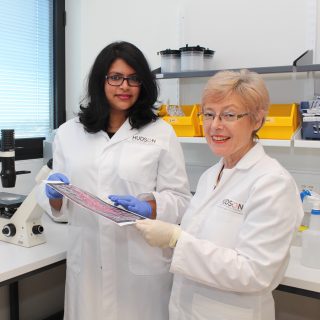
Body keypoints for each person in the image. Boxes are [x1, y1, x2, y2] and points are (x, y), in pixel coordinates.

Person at [135, 69, 304, 320]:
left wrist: (176, 240)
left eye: (229, 115)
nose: (215, 125)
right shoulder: (210, 175)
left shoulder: (272, 183)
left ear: (257, 120)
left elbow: (254, 271)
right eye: (209, 114)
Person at [41, 41, 191, 320]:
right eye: (116, 77)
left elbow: (181, 200)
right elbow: (58, 204)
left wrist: (150, 206)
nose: (125, 86)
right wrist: (53, 194)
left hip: (139, 266)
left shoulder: (161, 133)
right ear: (101, 81)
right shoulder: (69, 133)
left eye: (134, 79)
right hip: (87, 263)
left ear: (143, 84)